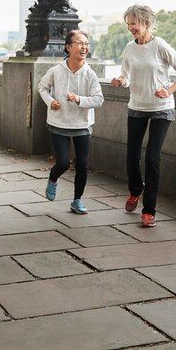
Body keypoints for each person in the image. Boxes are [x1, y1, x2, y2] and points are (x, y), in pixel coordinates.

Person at [111, 5, 176, 227]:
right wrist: (120, 81)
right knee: (132, 157)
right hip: (137, 106)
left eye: (133, 24)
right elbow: (125, 76)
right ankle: (135, 190)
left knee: (152, 157)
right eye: (128, 24)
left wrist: (168, 90)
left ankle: (149, 211)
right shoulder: (129, 48)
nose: (130, 28)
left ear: (145, 23)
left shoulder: (160, 46)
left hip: (161, 107)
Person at [38, 30, 104, 214]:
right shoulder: (55, 71)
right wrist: (51, 102)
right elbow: (42, 87)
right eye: (79, 43)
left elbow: (98, 99)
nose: (84, 47)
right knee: (64, 163)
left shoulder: (89, 74)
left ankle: (77, 200)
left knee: (82, 165)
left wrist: (79, 99)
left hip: (82, 125)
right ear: (68, 47)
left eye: (87, 44)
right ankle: (53, 177)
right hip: (59, 124)